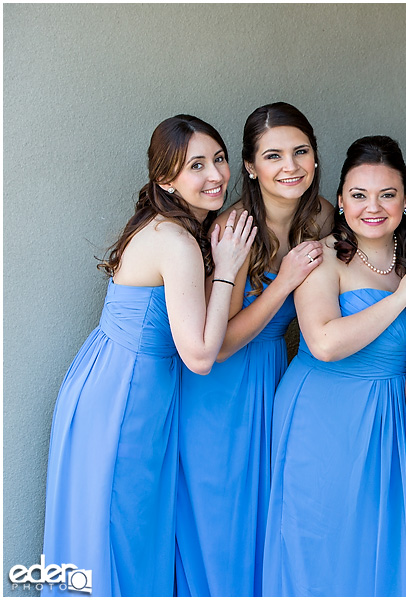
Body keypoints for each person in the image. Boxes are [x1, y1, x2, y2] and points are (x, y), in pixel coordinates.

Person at [41, 115, 256, 597]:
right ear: (165, 179)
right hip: (123, 399)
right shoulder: (175, 241)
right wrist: (225, 269)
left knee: (135, 533)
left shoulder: (183, 228)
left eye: (218, 159)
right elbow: (201, 355)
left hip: (130, 386)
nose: (216, 175)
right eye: (195, 165)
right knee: (120, 533)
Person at [262, 135, 406, 596]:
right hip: (323, 419)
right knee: (325, 543)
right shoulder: (322, 260)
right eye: (358, 195)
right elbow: (323, 342)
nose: (372, 207)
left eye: (387, 194)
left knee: (385, 545)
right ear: (340, 201)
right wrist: (402, 297)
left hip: (393, 420)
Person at [175, 102, 332, 596]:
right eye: (273, 156)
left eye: (301, 152)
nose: (291, 167)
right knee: (226, 521)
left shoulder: (323, 215)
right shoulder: (236, 229)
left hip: (277, 382)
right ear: (250, 166)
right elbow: (217, 346)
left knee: (271, 516)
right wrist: (283, 283)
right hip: (222, 389)